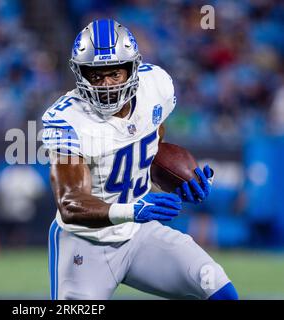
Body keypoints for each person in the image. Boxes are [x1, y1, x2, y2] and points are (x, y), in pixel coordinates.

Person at [42, 19, 238, 300]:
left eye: (114, 74)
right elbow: (71, 203)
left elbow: (151, 149)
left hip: (138, 234)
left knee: (219, 289)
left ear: (132, 68)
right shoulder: (67, 120)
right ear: (80, 74)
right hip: (85, 244)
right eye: (95, 75)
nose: (105, 85)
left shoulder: (155, 88)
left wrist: (179, 180)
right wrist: (133, 209)